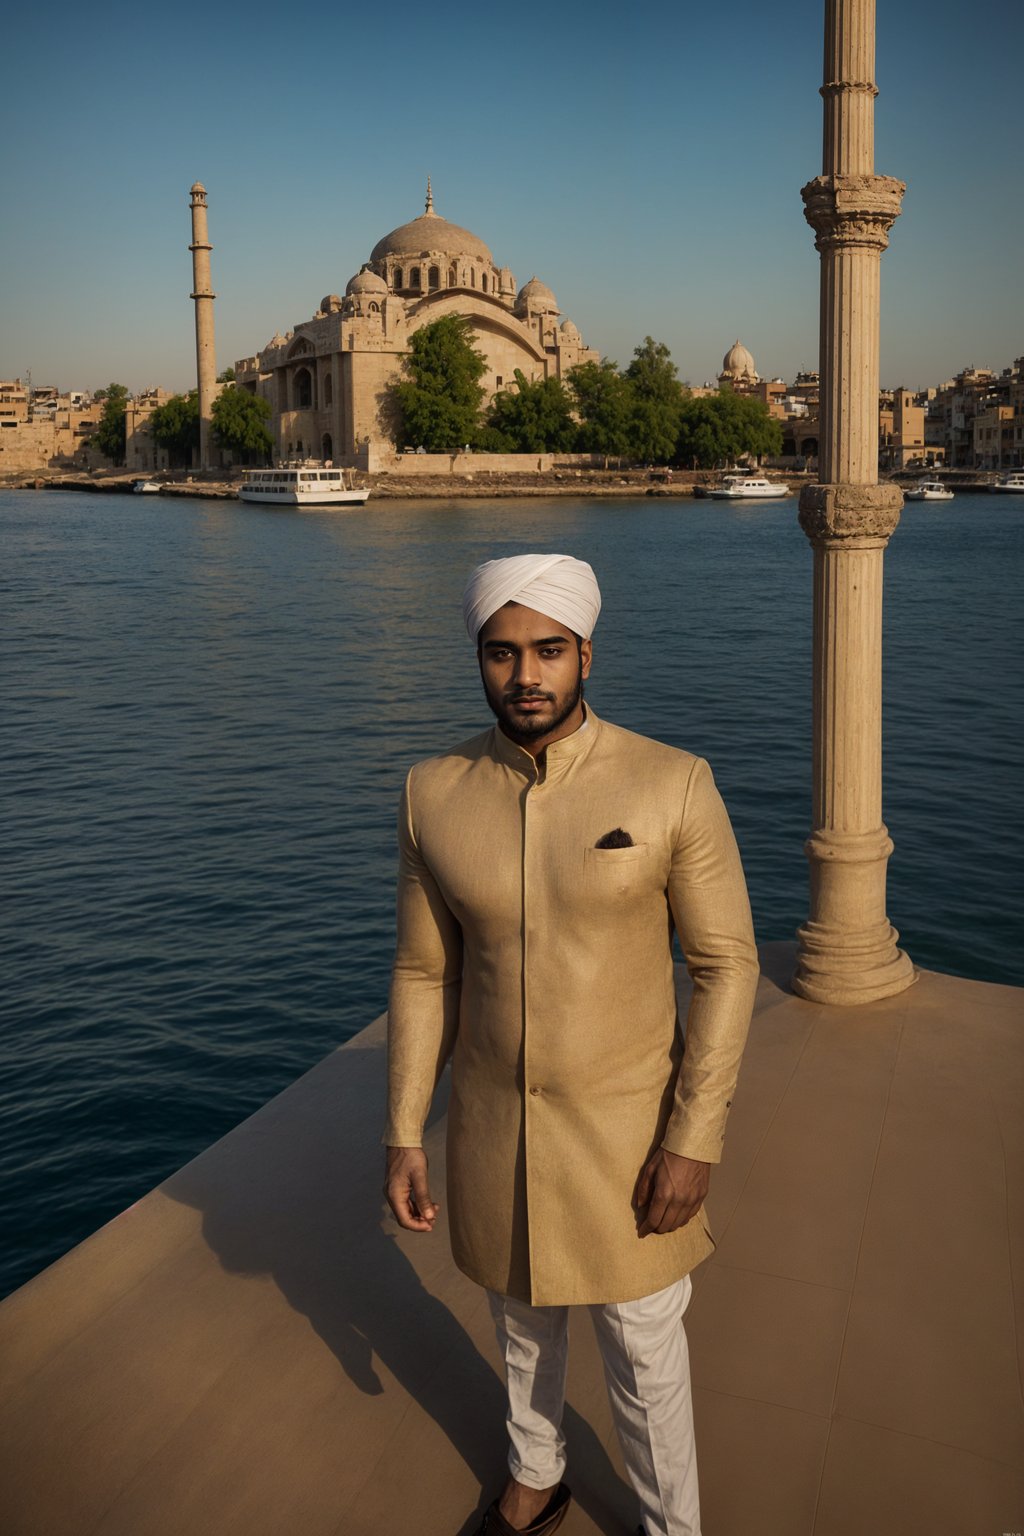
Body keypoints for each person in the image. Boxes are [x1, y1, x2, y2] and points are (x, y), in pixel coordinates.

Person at [384, 553, 759, 1536]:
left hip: (632, 1135)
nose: (525, 676)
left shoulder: (672, 782)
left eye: (547, 651)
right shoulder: (433, 791)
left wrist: (694, 1139)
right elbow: (427, 973)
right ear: (478, 659)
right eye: (501, 654)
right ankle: (534, 1477)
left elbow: (727, 968)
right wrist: (403, 1132)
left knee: (642, 1353)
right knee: (519, 1323)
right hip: (493, 1124)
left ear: (585, 652)